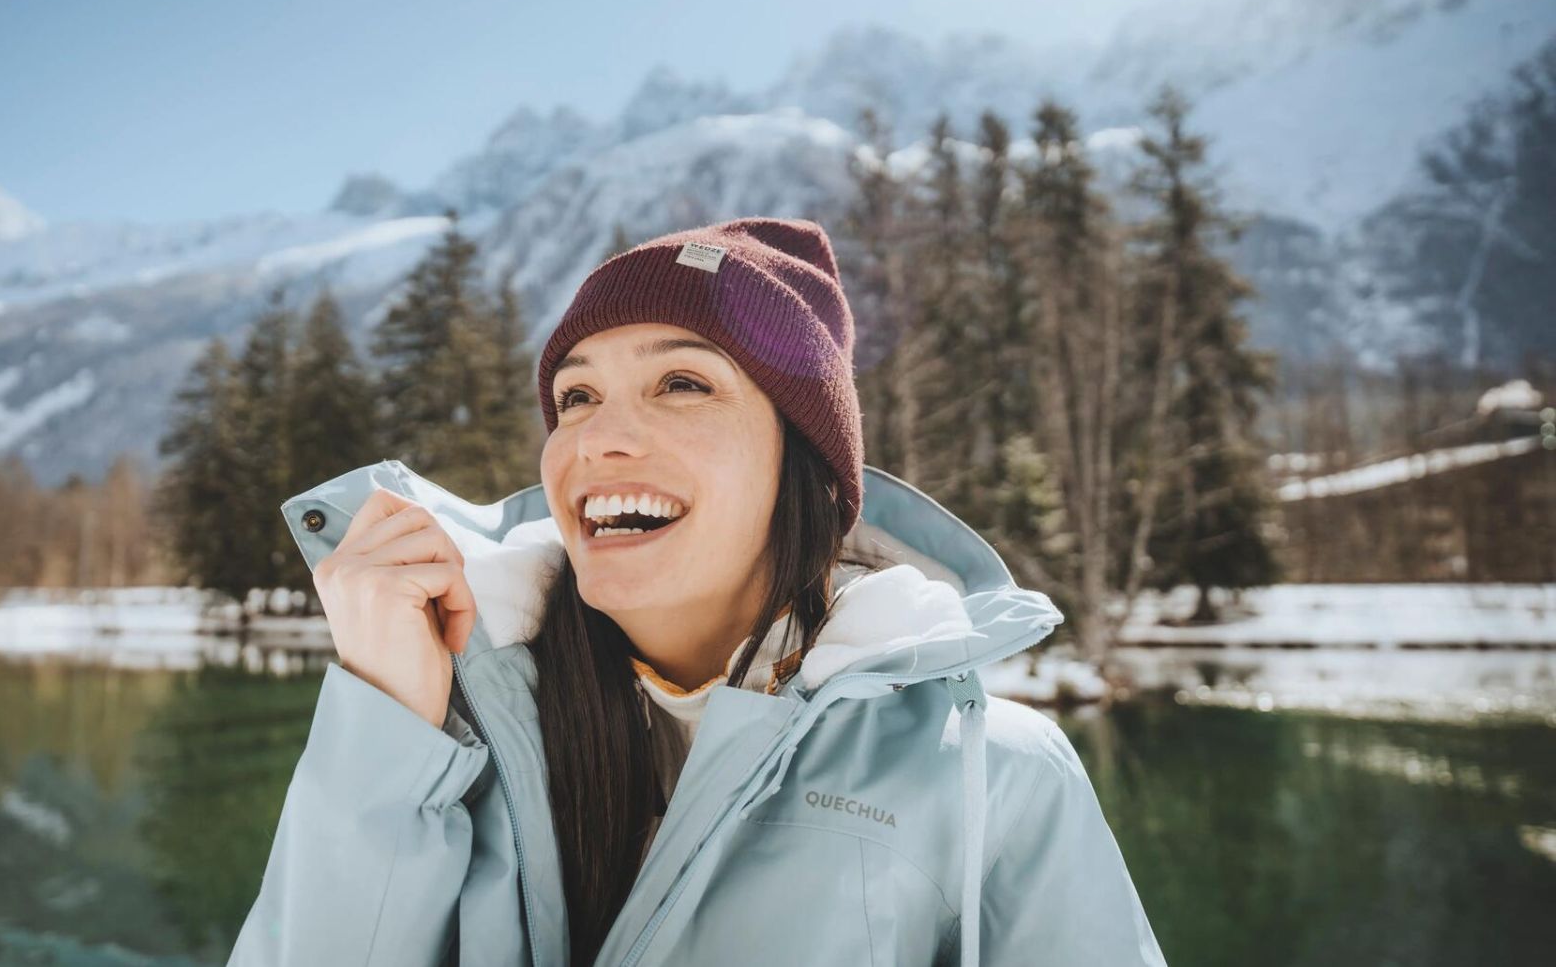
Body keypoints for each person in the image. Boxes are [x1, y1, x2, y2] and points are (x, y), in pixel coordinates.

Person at [228, 217, 1167, 966]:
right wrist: (385, 718)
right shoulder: (446, 739)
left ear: (803, 468)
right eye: (577, 397)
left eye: (681, 382)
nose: (597, 439)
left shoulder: (992, 772)